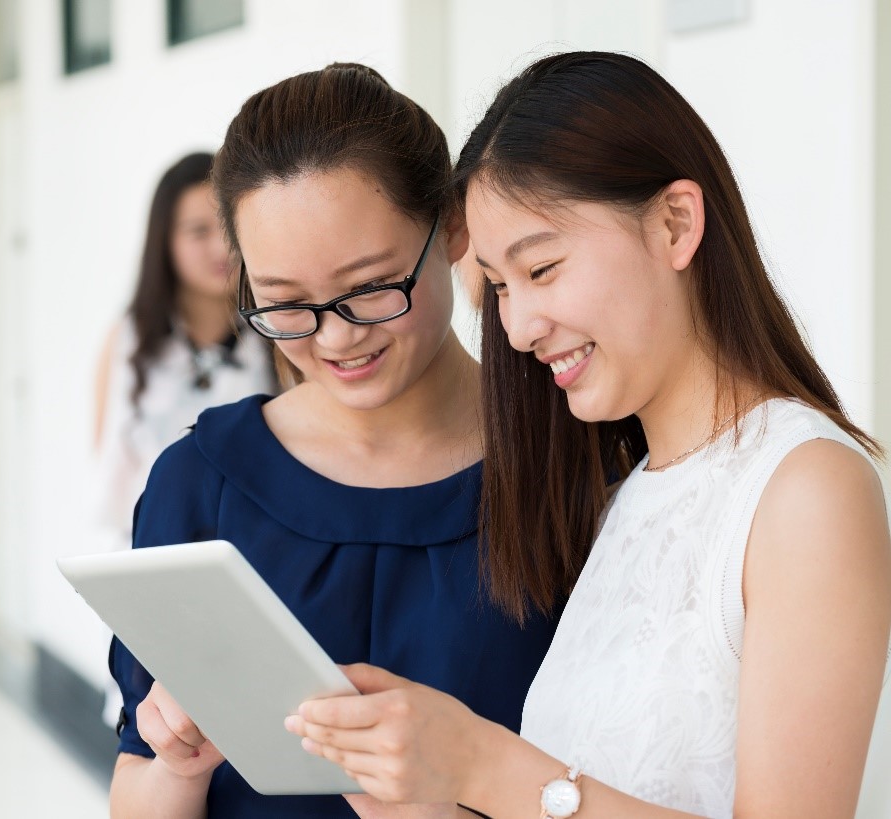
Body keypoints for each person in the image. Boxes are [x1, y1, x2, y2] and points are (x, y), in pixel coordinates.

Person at [288, 52, 891, 819]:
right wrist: (427, 791)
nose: (516, 327)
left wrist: (483, 763)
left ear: (675, 223)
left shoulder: (804, 491)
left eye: (543, 268)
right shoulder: (623, 497)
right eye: (497, 286)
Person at [106, 63, 558, 819]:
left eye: (371, 286)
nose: (337, 337)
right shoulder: (199, 482)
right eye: (284, 303)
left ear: (452, 227)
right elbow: (136, 785)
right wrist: (177, 766)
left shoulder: (572, 462)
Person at [93, 152, 276, 547]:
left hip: (254, 549)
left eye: (230, 227)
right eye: (199, 231)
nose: (222, 248)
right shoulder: (128, 338)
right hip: (147, 547)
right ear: (165, 241)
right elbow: (107, 454)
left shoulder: (277, 332)